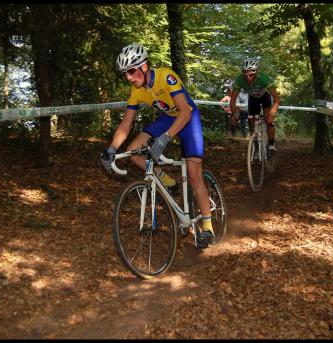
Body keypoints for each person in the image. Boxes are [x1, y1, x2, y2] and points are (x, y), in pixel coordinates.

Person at [99, 43, 215, 248]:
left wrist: (165, 138)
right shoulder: (136, 91)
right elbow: (126, 123)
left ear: (144, 67)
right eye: (125, 73)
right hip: (167, 119)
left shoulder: (166, 76)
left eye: (131, 71)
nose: (128, 77)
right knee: (134, 153)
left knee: (194, 173)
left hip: (187, 117)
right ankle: (168, 182)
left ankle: (207, 226)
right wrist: (111, 149)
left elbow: (184, 112)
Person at [229, 58, 280, 152]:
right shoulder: (240, 80)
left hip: (265, 96)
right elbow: (232, 100)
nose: (248, 77)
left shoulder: (264, 78)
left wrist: (272, 113)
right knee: (250, 120)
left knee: (268, 119)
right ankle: (255, 145)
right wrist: (234, 114)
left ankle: (272, 144)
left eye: (251, 74)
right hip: (253, 98)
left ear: (256, 72)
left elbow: (277, 98)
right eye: (245, 75)